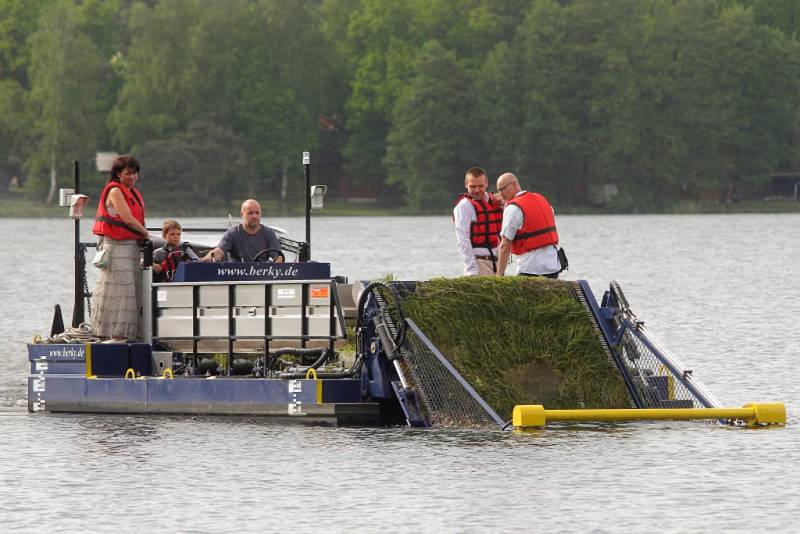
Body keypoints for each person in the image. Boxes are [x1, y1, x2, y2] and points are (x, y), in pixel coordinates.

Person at [91, 154, 150, 341]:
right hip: (116, 248)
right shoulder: (115, 191)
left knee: (132, 291)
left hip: (131, 248)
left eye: (134, 174)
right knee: (120, 291)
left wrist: (142, 235)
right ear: (118, 173)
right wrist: (147, 234)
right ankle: (114, 333)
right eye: (127, 173)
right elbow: (127, 219)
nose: (132, 177)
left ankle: (129, 333)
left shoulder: (132, 192)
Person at [495, 172, 561, 278]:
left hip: (531, 268)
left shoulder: (513, 208)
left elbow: (504, 245)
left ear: (515, 184)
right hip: (553, 266)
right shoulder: (541, 199)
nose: (501, 193)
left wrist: (499, 275)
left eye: (503, 189)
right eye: (499, 190)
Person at [453, 166, 504, 275]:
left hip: (498, 262)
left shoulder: (495, 201)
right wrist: (471, 269)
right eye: (472, 186)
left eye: (480, 186)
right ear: (466, 184)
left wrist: (504, 202)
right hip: (479, 262)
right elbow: (462, 240)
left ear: (486, 183)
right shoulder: (464, 206)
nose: (477, 190)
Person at [202, 199, 284, 262]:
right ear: (242, 214)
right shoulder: (232, 234)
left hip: (262, 275)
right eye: (250, 213)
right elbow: (219, 251)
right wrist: (205, 260)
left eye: (257, 213)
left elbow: (278, 258)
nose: (254, 216)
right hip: (237, 276)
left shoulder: (269, 233)